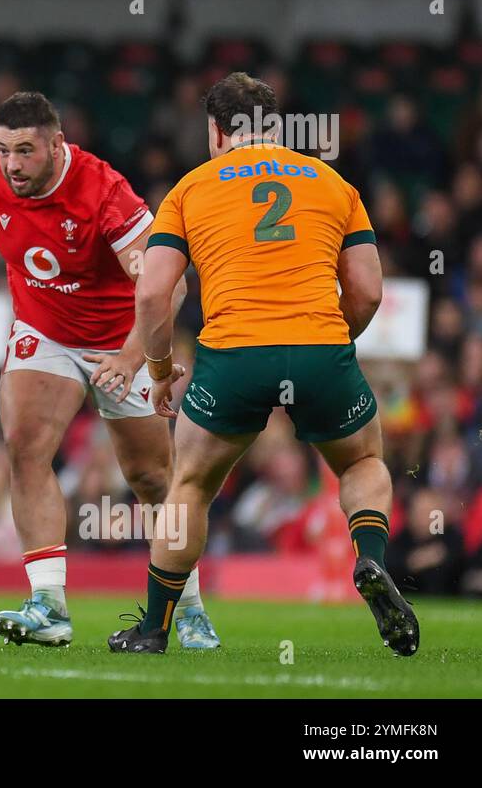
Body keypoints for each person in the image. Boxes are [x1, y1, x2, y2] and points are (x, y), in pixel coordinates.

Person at [110, 72, 418, 655]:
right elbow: (371, 290)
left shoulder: (189, 190)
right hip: (320, 348)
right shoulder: (334, 183)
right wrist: (329, 344)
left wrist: (157, 370)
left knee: (192, 485)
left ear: (215, 131)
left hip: (233, 355)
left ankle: (152, 629)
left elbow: (151, 295)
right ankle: (372, 562)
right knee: (364, 461)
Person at [0, 92, 218, 648]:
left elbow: (169, 285)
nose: (12, 165)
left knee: (152, 478)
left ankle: (188, 607)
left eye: (24, 151)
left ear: (56, 145)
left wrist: (130, 356)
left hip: (121, 339)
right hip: (44, 330)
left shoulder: (104, 192)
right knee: (25, 448)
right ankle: (48, 604)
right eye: (2, 151)